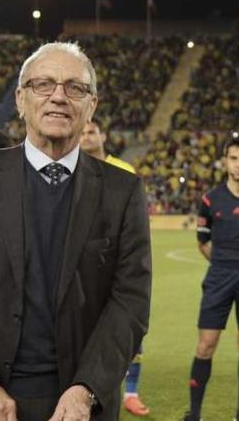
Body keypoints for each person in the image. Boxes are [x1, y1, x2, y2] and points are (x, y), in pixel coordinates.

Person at [0, 42, 152, 421]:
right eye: (43, 85)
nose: (58, 97)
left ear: (92, 105)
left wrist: (87, 389)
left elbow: (130, 301)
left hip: (74, 406)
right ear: (20, 99)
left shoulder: (123, 190)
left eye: (75, 87)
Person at [184, 135, 239, 421]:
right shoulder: (211, 198)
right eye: (234, 158)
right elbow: (203, 241)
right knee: (205, 345)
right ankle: (194, 413)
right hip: (219, 276)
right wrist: (225, 263)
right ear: (224, 162)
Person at [79, 119, 150, 417]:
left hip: (117, 262)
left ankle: (130, 393)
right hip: (83, 265)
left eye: (91, 131)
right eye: (82, 132)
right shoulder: (70, 168)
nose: (86, 136)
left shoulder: (123, 170)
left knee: (127, 330)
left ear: (103, 135)